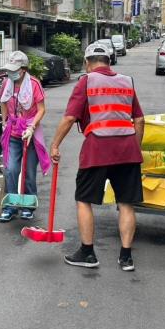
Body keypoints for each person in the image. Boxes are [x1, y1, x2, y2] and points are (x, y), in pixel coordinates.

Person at [50, 43, 145, 271]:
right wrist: (134, 148)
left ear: (87, 62)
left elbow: (70, 118)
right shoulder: (126, 81)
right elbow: (139, 120)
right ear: (109, 61)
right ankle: (126, 258)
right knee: (126, 203)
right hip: (127, 151)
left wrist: (55, 145)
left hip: (97, 149)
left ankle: (88, 253)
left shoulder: (86, 81)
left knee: (84, 199)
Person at [0, 51, 51, 222]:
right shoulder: (6, 83)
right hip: (13, 132)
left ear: (22, 70)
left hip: (30, 133)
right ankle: (10, 206)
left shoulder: (34, 84)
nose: (11, 73)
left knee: (28, 172)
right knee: (11, 169)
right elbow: (4, 102)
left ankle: (28, 206)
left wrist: (32, 127)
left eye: (14, 69)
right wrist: (4, 121)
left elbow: (41, 109)